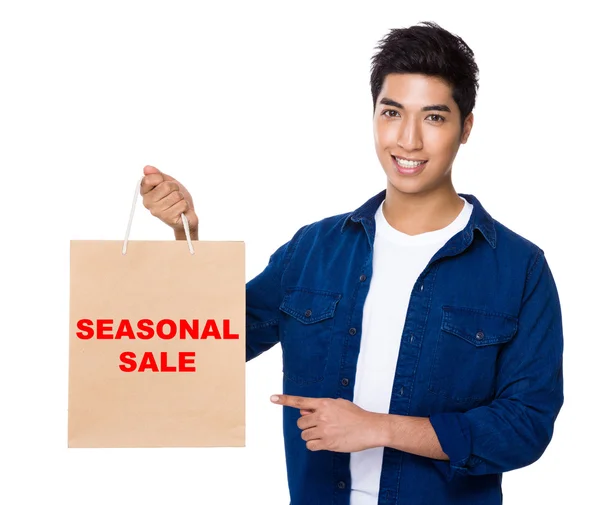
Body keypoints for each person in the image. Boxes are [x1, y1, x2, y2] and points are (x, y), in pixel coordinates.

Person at [139, 21, 563, 505]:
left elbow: (525, 427)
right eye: (392, 112)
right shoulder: (314, 249)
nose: (408, 140)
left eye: (434, 117)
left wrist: (378, 428)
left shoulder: (519, 268)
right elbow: (211, 344)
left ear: (466, 127)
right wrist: (185, 235)